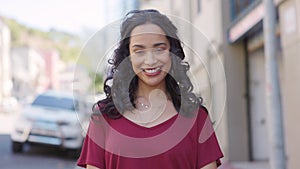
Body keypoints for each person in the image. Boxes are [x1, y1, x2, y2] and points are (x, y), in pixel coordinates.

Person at [77, 9, 223, 169]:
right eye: (139, 51)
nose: (151, 60)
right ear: (128, 57)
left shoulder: (196, 118)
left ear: (172, 52)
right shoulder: (103, 116)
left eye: (159, 48)